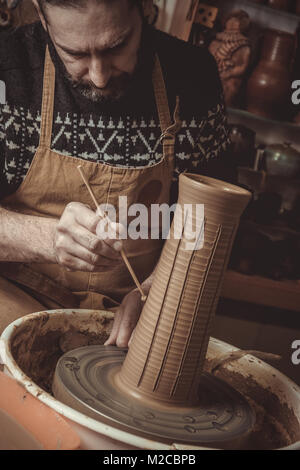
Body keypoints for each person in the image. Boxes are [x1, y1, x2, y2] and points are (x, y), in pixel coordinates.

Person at [0, 0, 232, 346]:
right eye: (74, 53)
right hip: (16, 299)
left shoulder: (192, 75)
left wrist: (162, 292)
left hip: (130, 319)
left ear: (143, 9)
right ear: (42, 15)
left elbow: (210, 222)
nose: (99, 75)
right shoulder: (8, 66)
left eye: (117, 47)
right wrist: (45, 238)